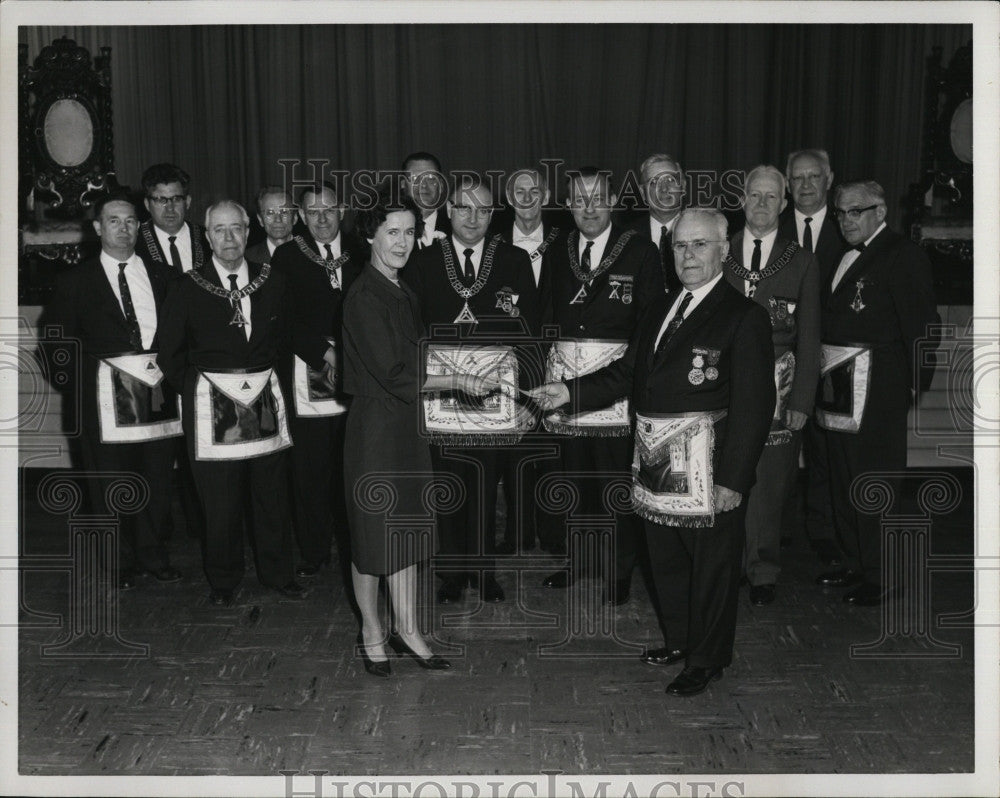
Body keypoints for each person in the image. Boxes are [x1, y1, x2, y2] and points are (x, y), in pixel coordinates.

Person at [529, 207, 775, 696]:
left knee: (710, 568)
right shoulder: (660, 306)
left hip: (709, 466)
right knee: (665, 561)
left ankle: (707, 660)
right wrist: (568, 393)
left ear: (724, 252)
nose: (688, 255)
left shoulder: (744, 317)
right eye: (680, 245)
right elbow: (626, 374)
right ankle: (680, 640)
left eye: (700, 244)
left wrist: (733, 479)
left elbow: (755, 405)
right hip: (654, 458)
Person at [343, 189, 496, 676]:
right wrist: (460, 380)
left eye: (410, 232)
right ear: (370, 234)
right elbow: (393, 373)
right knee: (372, 541)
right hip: (375, 431)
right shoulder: (364, 296)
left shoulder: (403, 290)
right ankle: (372, 634)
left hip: (408, 429)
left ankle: (409, 630)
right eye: (392, 231)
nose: (403, 242)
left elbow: (420, 358)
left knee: (405, 534)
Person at [157, 200, 304, 607]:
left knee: (271, 495)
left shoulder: (272, 281)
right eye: (219, 230)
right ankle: (223, 580)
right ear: (207, 237)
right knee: (219, 502)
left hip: (263, 401)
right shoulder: (187, 287)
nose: (228, 238)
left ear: (247, 232)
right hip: (212, 405)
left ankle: (277, 574)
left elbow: (286, 340)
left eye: (236, 228)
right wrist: (197, 395)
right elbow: (169, 354)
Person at [402, 176, 541, 605]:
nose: (473, 218)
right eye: (464, 208)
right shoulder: (422, 262)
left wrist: (528, 398)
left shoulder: (514, 260)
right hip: (440, 394)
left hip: (495, 397)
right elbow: (410, 329)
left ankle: (484, 570)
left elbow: (531, 331)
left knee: (484, 483)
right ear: (448, 211)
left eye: (483, 210)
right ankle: (450, 573)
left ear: (493, 215)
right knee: (447, 484)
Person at [44, 192, 183, 590]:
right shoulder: (74, 282)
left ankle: (154, 556)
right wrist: (84, 390)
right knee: (109, 482)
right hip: (103, 403)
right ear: (98, 228)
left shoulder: (165, 277)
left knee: (156, 479)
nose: (124, 229)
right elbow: (56, 344)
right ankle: (119, 562)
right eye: (114, 221)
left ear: (140, 226)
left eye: (130, 222)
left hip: (157, 396)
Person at [540, 167, 663, 606]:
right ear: (568, 204)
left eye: (597, 198)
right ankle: (578, 560)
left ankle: (618, 570)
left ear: (613, 202)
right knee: (573, 480)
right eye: (579, 199)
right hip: (564, 387)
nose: (588, 207)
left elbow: (649, 327)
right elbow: (546, 314)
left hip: (616, 389)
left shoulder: (641, 251)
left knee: (615, 483)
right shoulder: (557, 250)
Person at [815, 181, 938, 606]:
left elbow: (923, 327)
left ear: (880, 212)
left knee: (876, 480)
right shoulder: (835, 252)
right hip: (837, 382)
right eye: (841, 212)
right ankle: (855, 560)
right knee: (844, 476)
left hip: (880, 387)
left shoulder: (903, 254)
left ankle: (884, 574)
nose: (846, 220)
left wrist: (909, 388)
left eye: (856, 211)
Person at [724, 165, 820, 606]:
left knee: (770, 480)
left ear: (785, 204)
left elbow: (809, 336)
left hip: (780, 385)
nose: (761, 204)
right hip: (722, 383)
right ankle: (730, 561)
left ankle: (762, 569)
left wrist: (802, 399)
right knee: (725, 470)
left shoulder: (801, 261)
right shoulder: (718, 251)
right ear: (742, 198)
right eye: (754, 195)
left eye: (771, 197)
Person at [270, 182, 362, 577]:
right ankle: (314, 550)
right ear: (301, 217)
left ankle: (358, 547)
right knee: (311, 469)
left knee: (355, 464)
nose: (321, 219)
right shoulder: (288, 257)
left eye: (328, 210)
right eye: (312, 212)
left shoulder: (364, 249)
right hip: (307, 373)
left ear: (341, 210)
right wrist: (326, 354)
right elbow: (283, 320)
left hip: (361, 373)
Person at [491, 167, 565, 554]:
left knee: (551, 447)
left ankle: (553, 534)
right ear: (508, 196)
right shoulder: (494, 242)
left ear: (546, 195)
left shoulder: (564, 241)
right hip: (512, 356)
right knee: (515, 445)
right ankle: (516, 534)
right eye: (519, 190)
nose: (527, 196)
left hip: (556, 353)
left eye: (534, 189)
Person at [778, 149, 846, 568]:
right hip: (783, 361)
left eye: (814, 177)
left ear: (829, 179)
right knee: (780, 446)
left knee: (825, 451)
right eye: (798, 178)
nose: (805, 185)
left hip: (835, 362)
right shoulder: (772, 228)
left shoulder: (848, 229)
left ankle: (823, 534)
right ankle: (778, 529)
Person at [134, 162, 207, 542]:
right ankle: (154, 541)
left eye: (176, 198)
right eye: (160, 200)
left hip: (203, 362)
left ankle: (205, 530)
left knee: (203, 449)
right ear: (148, 203)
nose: (169, 208)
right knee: (157, 460)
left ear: (188, 201)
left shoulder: (207, 237)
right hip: (156, 367)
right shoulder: (134, 243)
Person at [626, 153, 686, 292]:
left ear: (683, 186)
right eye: (654, 182)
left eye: (670, 180)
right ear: (642, 192)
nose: (664, 188)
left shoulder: (703, 233)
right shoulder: (626, 238)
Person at [401, 151, 451, 248]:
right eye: (415, 177)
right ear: (402, 184)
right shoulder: (389, 227)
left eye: (431, 177)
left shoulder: (457, 228)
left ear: (441, 185)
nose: (423, 184)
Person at [246, 185, 296, 265]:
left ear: (295, 218)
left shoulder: (313, 255)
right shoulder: (247, 259)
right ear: (260, 220)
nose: (278, 220)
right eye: (270, 213)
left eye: (284, 212)